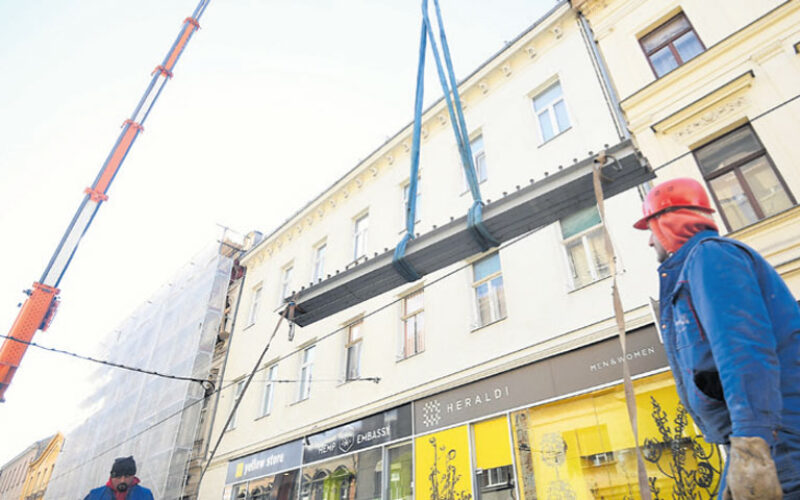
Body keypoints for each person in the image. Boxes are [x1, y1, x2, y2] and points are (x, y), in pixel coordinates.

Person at [634, 177, 800, 499]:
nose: (650, 242)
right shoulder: (697, 266)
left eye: (651, 228)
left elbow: (744, 351)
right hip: (761, 436)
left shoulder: (711, 257)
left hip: (776, 438)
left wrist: (752, 442)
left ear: (669, 223)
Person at [84, 456, 154, 500]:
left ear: (133, 476)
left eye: (127, 477)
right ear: (112, 477)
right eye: (118, 477)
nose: (122, 481)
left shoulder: (145, 495)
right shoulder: (95, 495)